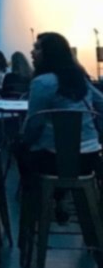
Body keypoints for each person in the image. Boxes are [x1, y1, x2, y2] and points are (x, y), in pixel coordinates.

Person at [19, 32, 103, 175]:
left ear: (50, 53)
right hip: (90, 154)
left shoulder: (42, 82)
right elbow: (101, 102)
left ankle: (38, 195)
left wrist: (22, 141)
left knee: (19, 150)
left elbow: (34, 124)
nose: (32, 52)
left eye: (37, 48)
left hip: (53, 157)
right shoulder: (80, 79)